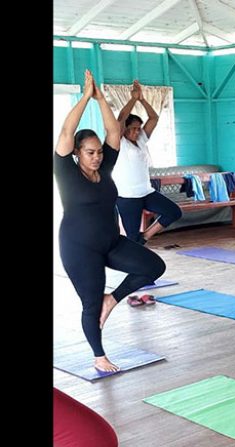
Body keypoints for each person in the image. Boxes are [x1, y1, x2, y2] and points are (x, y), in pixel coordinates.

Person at [55, 70, 166, 372]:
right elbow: (66, 132)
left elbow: (113, 132)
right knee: (90, 304)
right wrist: (83, 99)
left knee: (154, 267)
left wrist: (101, 99)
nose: (96, 156)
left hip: (110, 242)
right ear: (76, 154)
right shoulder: (65, 171)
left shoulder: (104, 168)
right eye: (89, 152)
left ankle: (112, 300)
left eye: (99, 152)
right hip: (79, 249)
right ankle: (99, 356)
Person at [114, 80, 182, 245]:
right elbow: (121, 119)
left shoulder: (142, 140)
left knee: (173, 212)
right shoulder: (119, 142)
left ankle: (145, 236)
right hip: (128, 197)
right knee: (132, 237)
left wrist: (142, 100)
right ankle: (133, 266)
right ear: (125, 129)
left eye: (139, 128)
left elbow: (154, 117)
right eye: (133, 128)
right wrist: (132, 99)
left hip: (147, 192)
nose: (137, 131)